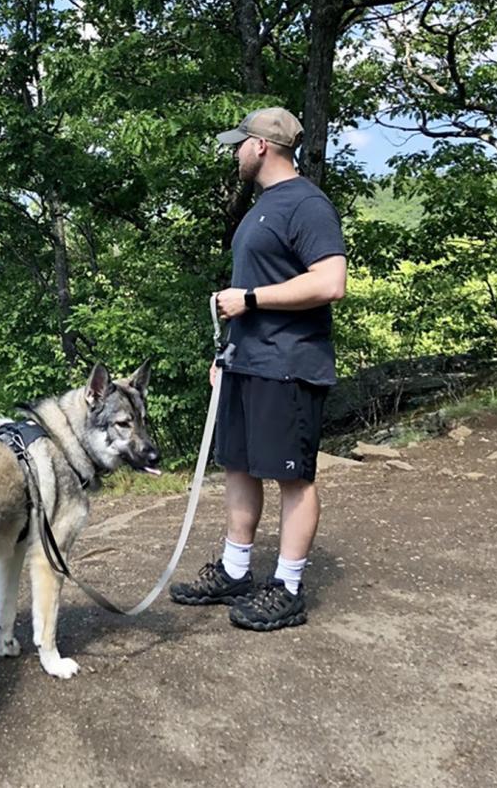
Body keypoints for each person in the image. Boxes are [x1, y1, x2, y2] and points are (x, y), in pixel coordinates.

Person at [169, 107, 347, 631]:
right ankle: (235, 570)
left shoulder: (307, 205)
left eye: (239, 143)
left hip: (289, 365)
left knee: (293, 476)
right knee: (240, 465)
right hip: (247, 361)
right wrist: (226, 354)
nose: (235, 152)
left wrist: (250, 297)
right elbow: (250, 295)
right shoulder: (263, 207)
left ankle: (288, 588)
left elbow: (330, 281)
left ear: (262, 147)